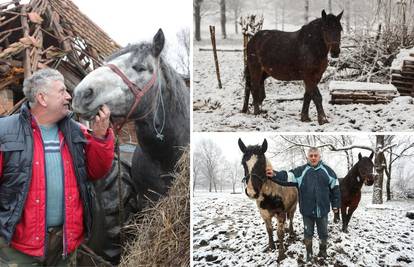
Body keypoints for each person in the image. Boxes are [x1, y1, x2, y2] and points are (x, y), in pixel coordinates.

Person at [0, 68, 114, 266]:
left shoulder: (76, 132)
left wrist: (100, 137)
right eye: (62, 91)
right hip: (18, 247)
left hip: (64, 243)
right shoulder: (5, 131)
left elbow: (97, 171)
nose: (69, 96)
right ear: (42, 98)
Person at [266, 147, 340, 262]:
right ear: (308, 157)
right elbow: (287, 176)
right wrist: (274, 174)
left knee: (323, 233)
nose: (313, 158)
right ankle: (309, 253)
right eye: (311, 156)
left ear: (319, 157)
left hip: (323, 210)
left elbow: (335, 188)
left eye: (316, 155)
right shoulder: (301, 171)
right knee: (308, 234)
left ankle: (323, 251)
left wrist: (336, 204)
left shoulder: (328, 171)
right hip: (307, 211)